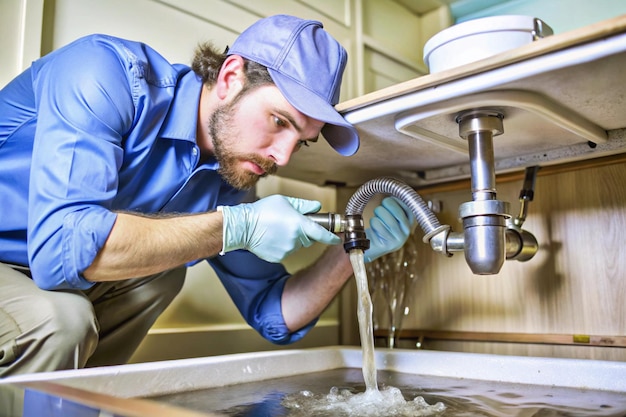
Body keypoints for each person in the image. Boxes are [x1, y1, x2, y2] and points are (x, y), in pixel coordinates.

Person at [0, 14, 414, 377]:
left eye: (302, 141)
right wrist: (235, 228)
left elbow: (273, 314)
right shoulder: (102, 73)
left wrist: (350, 253)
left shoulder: (228, 179)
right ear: (231, 76)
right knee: (61, 320)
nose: (283, 157)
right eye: (278, 121)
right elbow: (60, 252)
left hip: (49, 280)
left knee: (159, 276)